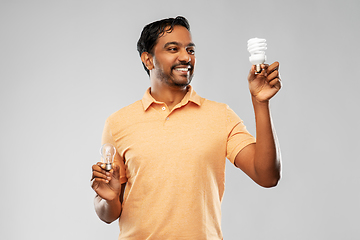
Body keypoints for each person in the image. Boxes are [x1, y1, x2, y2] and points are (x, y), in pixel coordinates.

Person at [91, 16, 281, 240]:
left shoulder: (220, 116)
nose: (186, 57)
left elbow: (267, 176)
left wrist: (260, 103)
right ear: (148, 60)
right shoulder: (118, 123)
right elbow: (109, 214)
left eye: (190, 50)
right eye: (173, 49)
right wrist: (110, 199)